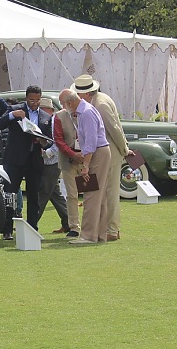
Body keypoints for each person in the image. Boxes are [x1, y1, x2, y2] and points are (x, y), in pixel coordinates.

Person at [72, 74, 132, 242]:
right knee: (104, 193)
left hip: (109, 154)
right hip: (106, 153)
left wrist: (124, 149)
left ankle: (112, 229)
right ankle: (106, 229)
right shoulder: (98, 101)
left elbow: (114, 129)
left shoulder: (100, 104)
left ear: (86, 94)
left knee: (110, 193)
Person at [0, 85, 51, 236]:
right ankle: (7, 230)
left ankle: (32, 229)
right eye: (32, 100)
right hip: (15, 159)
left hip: (34, 160)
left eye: (38, 100)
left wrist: (43, 142)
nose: (35, 103)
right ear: (26, 98)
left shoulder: (45, 117)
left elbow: (49, 140)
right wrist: (12, 115)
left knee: (33, 196)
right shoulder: (16, 109)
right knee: (10, 194)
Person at [59, 89, 111, 244]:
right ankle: (100, 234)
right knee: (98, 197)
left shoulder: (86, 113)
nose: (63, 107)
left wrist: (86, 165)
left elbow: (90, 142)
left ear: (69, 102)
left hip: (97, 154)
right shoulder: (85, 111)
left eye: (63, 104)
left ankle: (88, 235)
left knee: (91, 195)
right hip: (99, 152)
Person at [37, 98, 69, 234]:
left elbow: (58, 143)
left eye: (43, 110)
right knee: (55, 194)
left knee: (43, 192)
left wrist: (46, 153)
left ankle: (31, 223)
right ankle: (69, 222)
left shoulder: (54, 122)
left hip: (53, 162)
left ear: (49, 110)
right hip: (49, 161)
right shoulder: (46, 122)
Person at [52, 100, 84, 238]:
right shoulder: (59, 116)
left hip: (86, 159)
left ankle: (91, 224)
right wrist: (72, 154)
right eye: (64, 103)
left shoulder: (87, 112)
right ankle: (74, 227)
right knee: (71, 194)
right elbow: (58, 140)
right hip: (68, 160)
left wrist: (85, 155)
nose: (67, 105)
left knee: (91, 192)